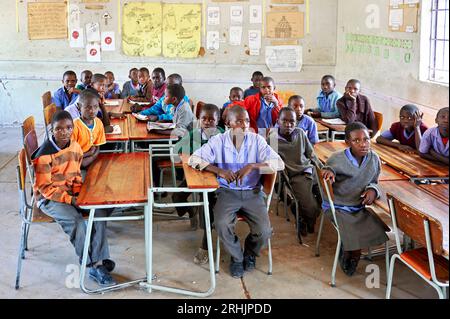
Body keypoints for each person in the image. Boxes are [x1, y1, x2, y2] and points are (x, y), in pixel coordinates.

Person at [189, 105, 284, 278]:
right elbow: (194, 158)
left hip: (252, 192)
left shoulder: (256, 140)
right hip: (227, 192)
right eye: (239, 121)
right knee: (222, 224)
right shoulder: (218, 140)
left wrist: (253, 165)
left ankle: (249, 252)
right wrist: (219, 171)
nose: (245, 125)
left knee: (264, 230)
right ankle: (237, 258)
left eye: (247, 120)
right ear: (228, 123)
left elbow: (279, 163)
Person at [31, 110, 116, 286]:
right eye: (58, 129)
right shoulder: (44, 155)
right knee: (76, 221)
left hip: (70, 193)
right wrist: (72, 200)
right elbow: (45, 188)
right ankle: (93, 264)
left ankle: (98, 259)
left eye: (68, 128)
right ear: (51, 130)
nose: (64, 132)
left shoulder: (75, 147)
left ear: (73, 128)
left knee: (98, 211)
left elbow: (76, 175)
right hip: (49, 198)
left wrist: (79, 193)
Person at [321, 122, 389, 276]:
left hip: (357, 207)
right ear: (348, 142)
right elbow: (327, 169)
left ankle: (352, 251)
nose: (363, 144)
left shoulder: (374, 159)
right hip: (337, 206)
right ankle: (351, 255)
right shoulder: (337, 158)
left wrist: (373, 189)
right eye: (356, 140)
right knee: (353, 233)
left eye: (366, 139)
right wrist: (328, 173)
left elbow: (375, 181)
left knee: (374, 229)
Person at [172, 104, 224, 264]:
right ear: (199, 120)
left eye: (211, 119)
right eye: (204, 119)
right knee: (176, 197)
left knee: (207, 208)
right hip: (196, 176)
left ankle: (205, 246)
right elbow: (178, 149)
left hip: (216, 179)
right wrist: (185, 155)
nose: (207, 122)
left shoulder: (223, 136)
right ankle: (191, 210)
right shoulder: (194, 134)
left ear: (218, 120)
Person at [269, 107, 322, 236]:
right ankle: (303, 218)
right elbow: (271, 166)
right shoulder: (273, 139)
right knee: (311, 207)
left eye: (292, 121)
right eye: (284, 121)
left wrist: (322, 170)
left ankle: (302, 214)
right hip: (296, 177)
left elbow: (311, 155)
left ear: (296, 122)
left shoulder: (300, 133)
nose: (288, 125)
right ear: (278, 121)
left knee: (326, 198)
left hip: (310, 171)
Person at [71, 89, 106, 168]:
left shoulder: (98, 123)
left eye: (95, 107)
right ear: (79, 107)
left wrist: (93, 156)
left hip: (90, 158)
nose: (92, 111)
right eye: (88, 107)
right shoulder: (74, 126)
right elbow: (71, 154)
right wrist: (89, 154)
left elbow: (98, 145)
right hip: (75, 159)